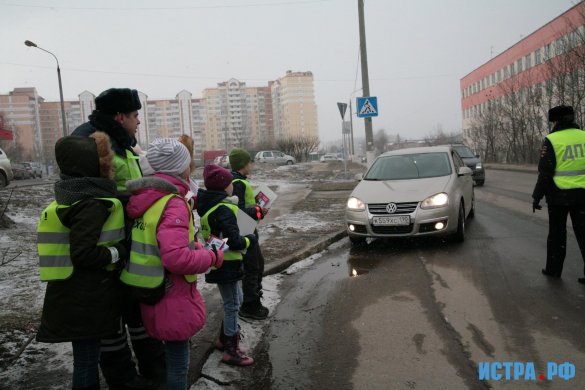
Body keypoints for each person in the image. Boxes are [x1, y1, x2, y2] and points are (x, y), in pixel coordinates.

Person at [73, 88, 162, 389]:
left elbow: (129, 183)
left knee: (134, 309)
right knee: (111, 319)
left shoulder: (122, 142)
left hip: (127, 241)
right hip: (105, 246)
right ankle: (122, 379)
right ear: (120, 115)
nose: (139, 121)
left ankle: (152, 366)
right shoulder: (92, 141)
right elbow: (90, 194)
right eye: (135, 115)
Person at [120, 138, 223, 389]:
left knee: (171, 360)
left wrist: (195, 246)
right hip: (172, 294)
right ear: (180, 167)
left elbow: (161, 242)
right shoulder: (173, 202)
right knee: (178, 365)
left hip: (152, 290)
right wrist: (212, 256)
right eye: (187, 162)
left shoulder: (146, 199)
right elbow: (176, 258)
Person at [36, 133, 128, 390]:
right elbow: (84, 254)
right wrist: (118, 252)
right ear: (91, 164)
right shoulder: (90, 203)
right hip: (86, 296)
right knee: (87, 361)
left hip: (72, 292)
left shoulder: (68, 197)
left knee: (85, 359)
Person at [196, 164, 256, 366]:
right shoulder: (225, 208)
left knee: (236, 300)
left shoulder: (210, 208)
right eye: (230, 183)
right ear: (224, 187)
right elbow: (236, 241)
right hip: (228, 265)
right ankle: (231, 349)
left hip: (219, 263)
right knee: (232, 304)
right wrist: (250, 240)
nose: (232, 186)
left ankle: (223, 339)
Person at [532, 105, 585, 283]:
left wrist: (537, 196)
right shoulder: (584, 136)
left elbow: (545, 172)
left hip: (559, 196)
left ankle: (554, 270)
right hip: (583, 197)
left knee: (557, 236)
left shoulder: (552, 140)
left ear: (555, 121)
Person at [72, 88, 143, 191]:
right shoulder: (93, 143)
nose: (138, 121)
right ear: (121, 117)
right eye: (135, 116)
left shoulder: (118, 140)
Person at [228, 148, 269, 319]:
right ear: (243, 165)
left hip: (248, 227)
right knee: (252, 267)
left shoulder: (238, 180)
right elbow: (239, 211)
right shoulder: (238, 183)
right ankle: (250, 305)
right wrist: (259, 211)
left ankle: (254, 298)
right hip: (245, 230)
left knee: (257, 263)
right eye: (249, 162)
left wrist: (257, 209)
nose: (251, 165)